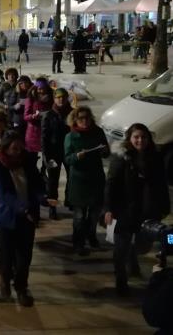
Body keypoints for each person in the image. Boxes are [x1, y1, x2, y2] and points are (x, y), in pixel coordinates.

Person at [105, 123, 170, 295]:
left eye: (143, 137)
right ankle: (121, 280)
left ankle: (132, 262)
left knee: (142, 245)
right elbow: (111, 183)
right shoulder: (121, 157)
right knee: (120, 248)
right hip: (124, 210)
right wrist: (109, 209)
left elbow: (162, 184)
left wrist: (164, 206)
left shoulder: (155, 157)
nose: (140, 140)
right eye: (136, 137)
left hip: (146, 210)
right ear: (129, 139)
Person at [0, 132, 44, 307]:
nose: (18, 151)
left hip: (27, 218)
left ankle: (21, 288)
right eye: (14, 148)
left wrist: (41, 198)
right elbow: (5, 193)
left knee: (24, 257)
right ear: (6, 148)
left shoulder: (27, 161)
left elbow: (37, 184)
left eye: (20, 147)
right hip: (7, 217)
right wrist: (24, 208)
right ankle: (5, 280)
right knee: (6, 256)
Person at [64, 106, 109, 256]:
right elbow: (67, 159)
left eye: (87, 118)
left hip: (95, 179)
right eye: (81, 118)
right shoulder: (71, 136)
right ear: (75, 120)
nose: (84, 121)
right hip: (79, 182)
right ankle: (78, 242)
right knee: (79, 216)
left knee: (94, 214)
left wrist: (104, 150)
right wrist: (76, 157)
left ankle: (91, 235)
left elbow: (105, 151)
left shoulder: (97, 132)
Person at [40, 88, 72, 220]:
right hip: (53, 153)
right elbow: (44, 137)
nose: (61, 100)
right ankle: (52, 207)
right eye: (58, 97)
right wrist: (46, 157)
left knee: (72, 178)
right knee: (53, 182)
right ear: (54, 99)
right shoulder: (48, 115)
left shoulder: (72, 114)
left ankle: (70, 201)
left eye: (63, 97)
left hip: (69, 151)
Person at [23, 78, 52, 163]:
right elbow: (25, 116)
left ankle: (44, 172)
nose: (41, 91)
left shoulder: (51, 98)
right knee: (32, 159)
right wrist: (33, 116)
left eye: (43, 88)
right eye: (39, 89)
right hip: (33, 132)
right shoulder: (31, 99)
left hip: (47, 130)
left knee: (47, 156)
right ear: (35, 88)